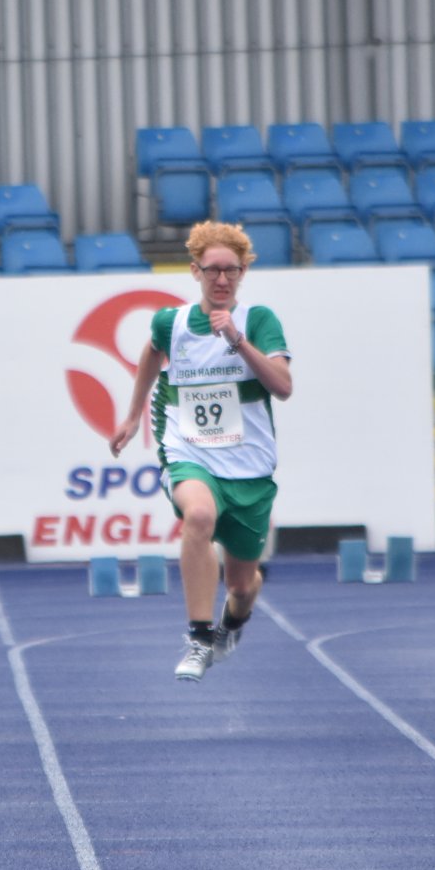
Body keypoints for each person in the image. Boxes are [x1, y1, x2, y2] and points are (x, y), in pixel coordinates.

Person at [109, 222, 293, 683]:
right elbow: (152, 353)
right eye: (213, 270)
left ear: (243, 272)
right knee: (198, 517)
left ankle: (233, 621)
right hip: (188, 450)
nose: (222, 279)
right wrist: (132, 417)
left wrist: (237, 340)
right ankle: (198, 635)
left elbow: (283, 387)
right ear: (195, 271)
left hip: (249, 466)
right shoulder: (170, 322)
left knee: (242, 586)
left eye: (232, 270)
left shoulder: (258, 321)